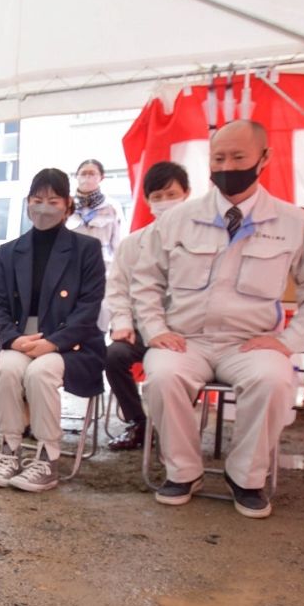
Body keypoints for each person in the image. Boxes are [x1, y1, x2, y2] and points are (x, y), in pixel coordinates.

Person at [132, 120, 304, 518]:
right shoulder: (178, 219)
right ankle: (184, 472)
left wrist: (288, 341)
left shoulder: (291, 221)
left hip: (250, 342)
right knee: (161, 377)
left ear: (264, 158)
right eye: (218, 157)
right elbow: (145, 279)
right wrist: (156, 329)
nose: (227, 165)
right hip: (186, 339)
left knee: (275, 379)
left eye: (238, 156)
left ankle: (246, 477)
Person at [0, 169, 106, 492]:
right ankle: (10, 449)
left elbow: (88, 309)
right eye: (37, 200)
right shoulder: (9, 252)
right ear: (27, 205)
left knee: (40, 373)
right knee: (7, 368)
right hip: (21, 338)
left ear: (68, 205)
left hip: (70, 343)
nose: (44, 207)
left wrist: (53, 343)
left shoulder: (86, 250)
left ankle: (47, 457)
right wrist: (12, 338)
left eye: (53, 200)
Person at [104, 161, 190, 451]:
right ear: (146, 201)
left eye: (171, 194)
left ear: (187, 194)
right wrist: (123, 323)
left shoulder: (202, 241)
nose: (165, 202)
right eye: (157, 197)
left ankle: (176, 427)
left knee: (176, 369)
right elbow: (117, 288)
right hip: (142, 329)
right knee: (114, 355)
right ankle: (138, 423)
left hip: (188, 333)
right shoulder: (132, 244)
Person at [66, 159, 123, 263]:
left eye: (92, 173)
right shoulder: (67, 205)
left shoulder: (112, 207)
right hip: (72, 263)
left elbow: (118, 244)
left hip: (102, 264)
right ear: (76, 176)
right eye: (83, 173)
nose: (87, 177)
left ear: (101, 177)